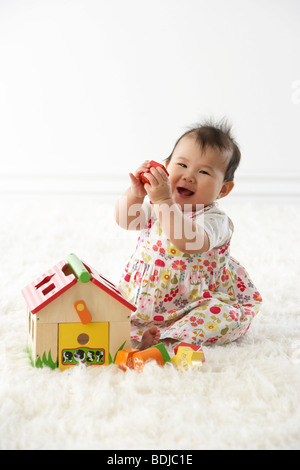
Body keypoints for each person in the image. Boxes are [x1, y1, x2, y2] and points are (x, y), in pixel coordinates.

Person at [115, 120, 262, 352]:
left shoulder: (215, 220)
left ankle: (168, 340)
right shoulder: (155, 206)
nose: (189, 176)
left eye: (203, 171)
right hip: (148, 297)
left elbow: (188, 241)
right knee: (110, 308)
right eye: (181, 165)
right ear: (166, 167)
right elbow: (127, 220)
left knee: (221, 316)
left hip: (196, 300)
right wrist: (135, 194)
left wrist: (164, 201)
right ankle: (145, 330)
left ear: (223, 189)